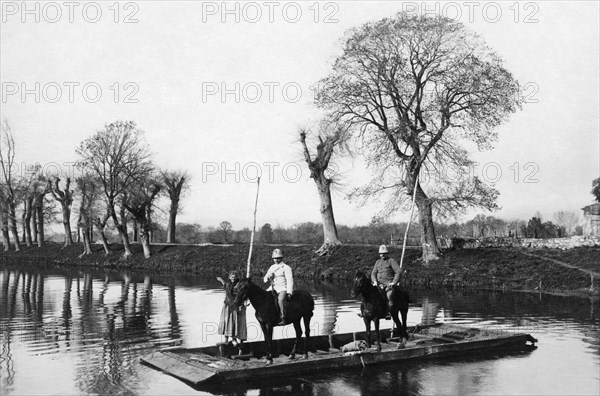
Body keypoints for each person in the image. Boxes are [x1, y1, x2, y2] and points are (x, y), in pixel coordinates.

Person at [263, 248, 294, 325]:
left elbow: (290, 281)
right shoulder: (272, 267)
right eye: (275, 258)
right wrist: (268, 277)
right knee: (264, 299)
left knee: (280, 300)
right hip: (273, 288)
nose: (276, 260)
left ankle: (283, 317)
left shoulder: (286, 267)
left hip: (283, 288)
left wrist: (289, 292)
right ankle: (268, 316)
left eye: (278, 258)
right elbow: (264, 279)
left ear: (281, 258)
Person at [216, 271, 247, 346]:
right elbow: (225, 285)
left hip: (235, 306)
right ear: (229, 278)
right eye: (232, 277)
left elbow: (242, 295)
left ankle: (234, 339)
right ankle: (226, 340)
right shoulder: (228, 284)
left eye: (235, 277)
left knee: (234, 322)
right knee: (226, 322)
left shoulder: (239, 285)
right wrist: (221, 280)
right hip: (227, 305)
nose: (233, 278)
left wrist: (242, 304)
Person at [371, 244, 402, 317]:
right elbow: (373, 273)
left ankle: (389, 312)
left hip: (389, 284)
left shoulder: (391, 261)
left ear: (387, 253)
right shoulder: (377, 262)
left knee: (389, 295)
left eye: (384, 253)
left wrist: (394, 282)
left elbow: (398, 271)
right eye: (381, 253)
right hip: (378, 284)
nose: (382, 255)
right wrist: (374, 281)